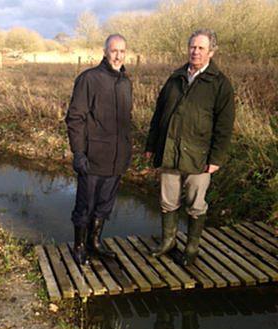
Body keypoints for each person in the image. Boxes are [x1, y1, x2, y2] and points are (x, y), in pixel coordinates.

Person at [145, 29, 235, 266]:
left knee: (196, 204)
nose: (195, 52)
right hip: (169, 151)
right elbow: (159, 114)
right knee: (168, 200)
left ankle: (192, 247)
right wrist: (152, 145)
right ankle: (168, 242)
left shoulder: (220, 84)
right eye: (192, 47)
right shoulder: (175, 78)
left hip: (199, 156)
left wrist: (216, 158)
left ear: (211, 52)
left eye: (201, 48)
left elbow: (224, 127)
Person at [65, 34, 132, 265]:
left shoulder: (125, 82)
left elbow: (125, 121)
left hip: (116, 159)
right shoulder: (89, 79)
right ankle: (80, 246)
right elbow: (75, 118)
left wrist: (126, 152)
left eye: (122, 51)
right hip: (93, 158)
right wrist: (79, 152)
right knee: (85, 206)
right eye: (114, 51)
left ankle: (95, 243)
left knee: (104, 206)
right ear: (105, 52)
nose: (118, 55)